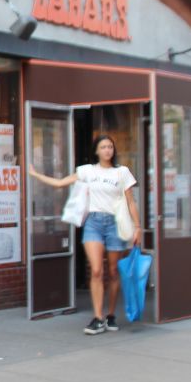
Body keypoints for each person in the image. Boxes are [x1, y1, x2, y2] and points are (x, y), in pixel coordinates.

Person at [28, 135, 142, 335]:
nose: (107, 150)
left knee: (114, 271)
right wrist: (36, 175)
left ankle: (111, 314)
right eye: (103, 147)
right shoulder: (87, 171)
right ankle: (98, 317)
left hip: (116, 222)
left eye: (110, 147)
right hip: (94, 223)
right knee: (97, 270)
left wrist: (138, 227)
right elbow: (61, 183)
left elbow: (130, 201)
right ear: (96, 151)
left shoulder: (122, 172)